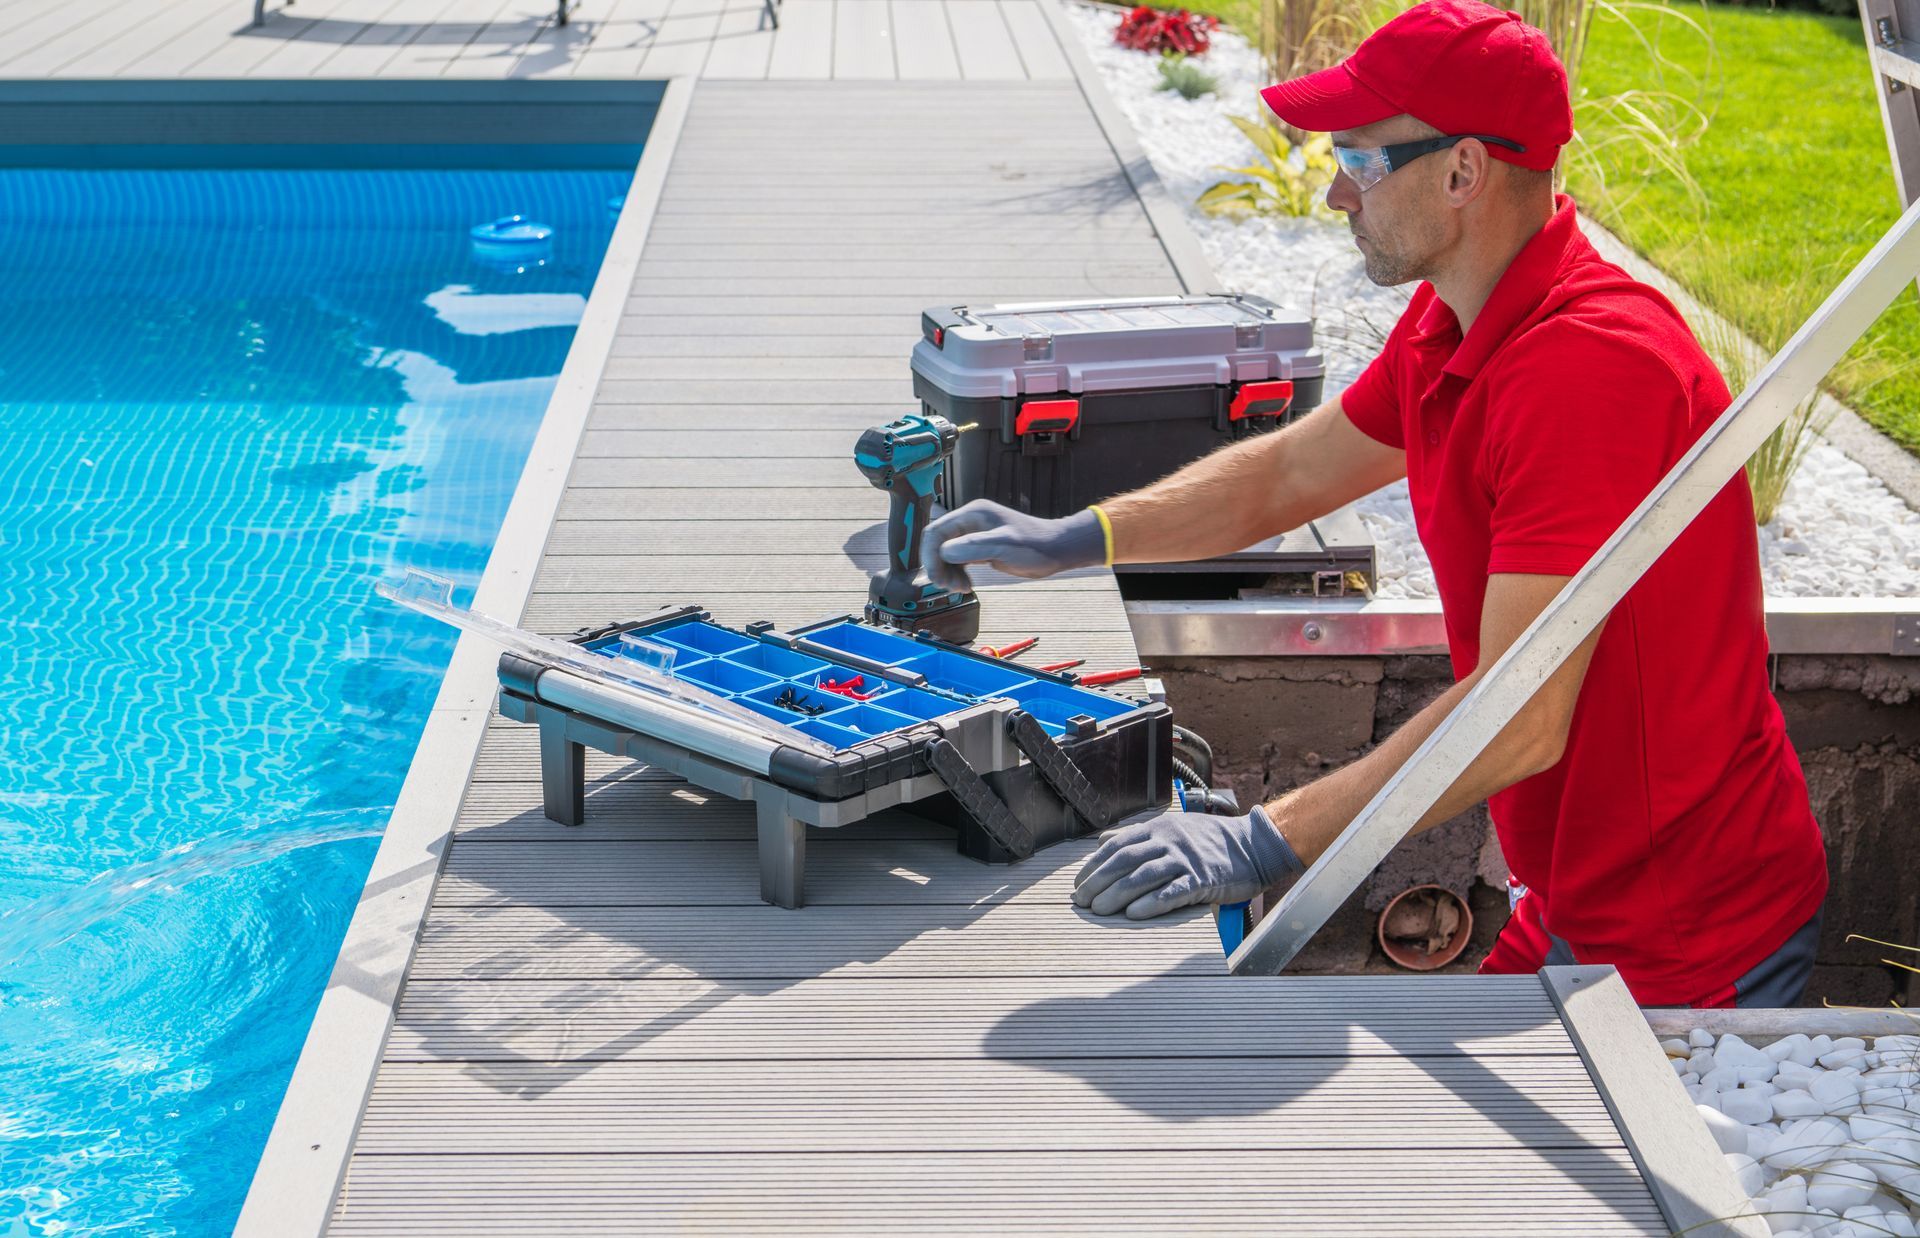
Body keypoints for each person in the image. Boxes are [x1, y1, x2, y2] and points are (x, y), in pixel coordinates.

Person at [921, 0, 1828, 1008]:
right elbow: (1286, 477)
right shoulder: (1459, 319)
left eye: (1358, 161)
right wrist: (1079, 537)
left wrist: (1264, 838)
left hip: (1688, 938)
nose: (1334, 195)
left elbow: (1521, 719)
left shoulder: (1589, 373)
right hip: (1573, 896)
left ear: (1462, 172)